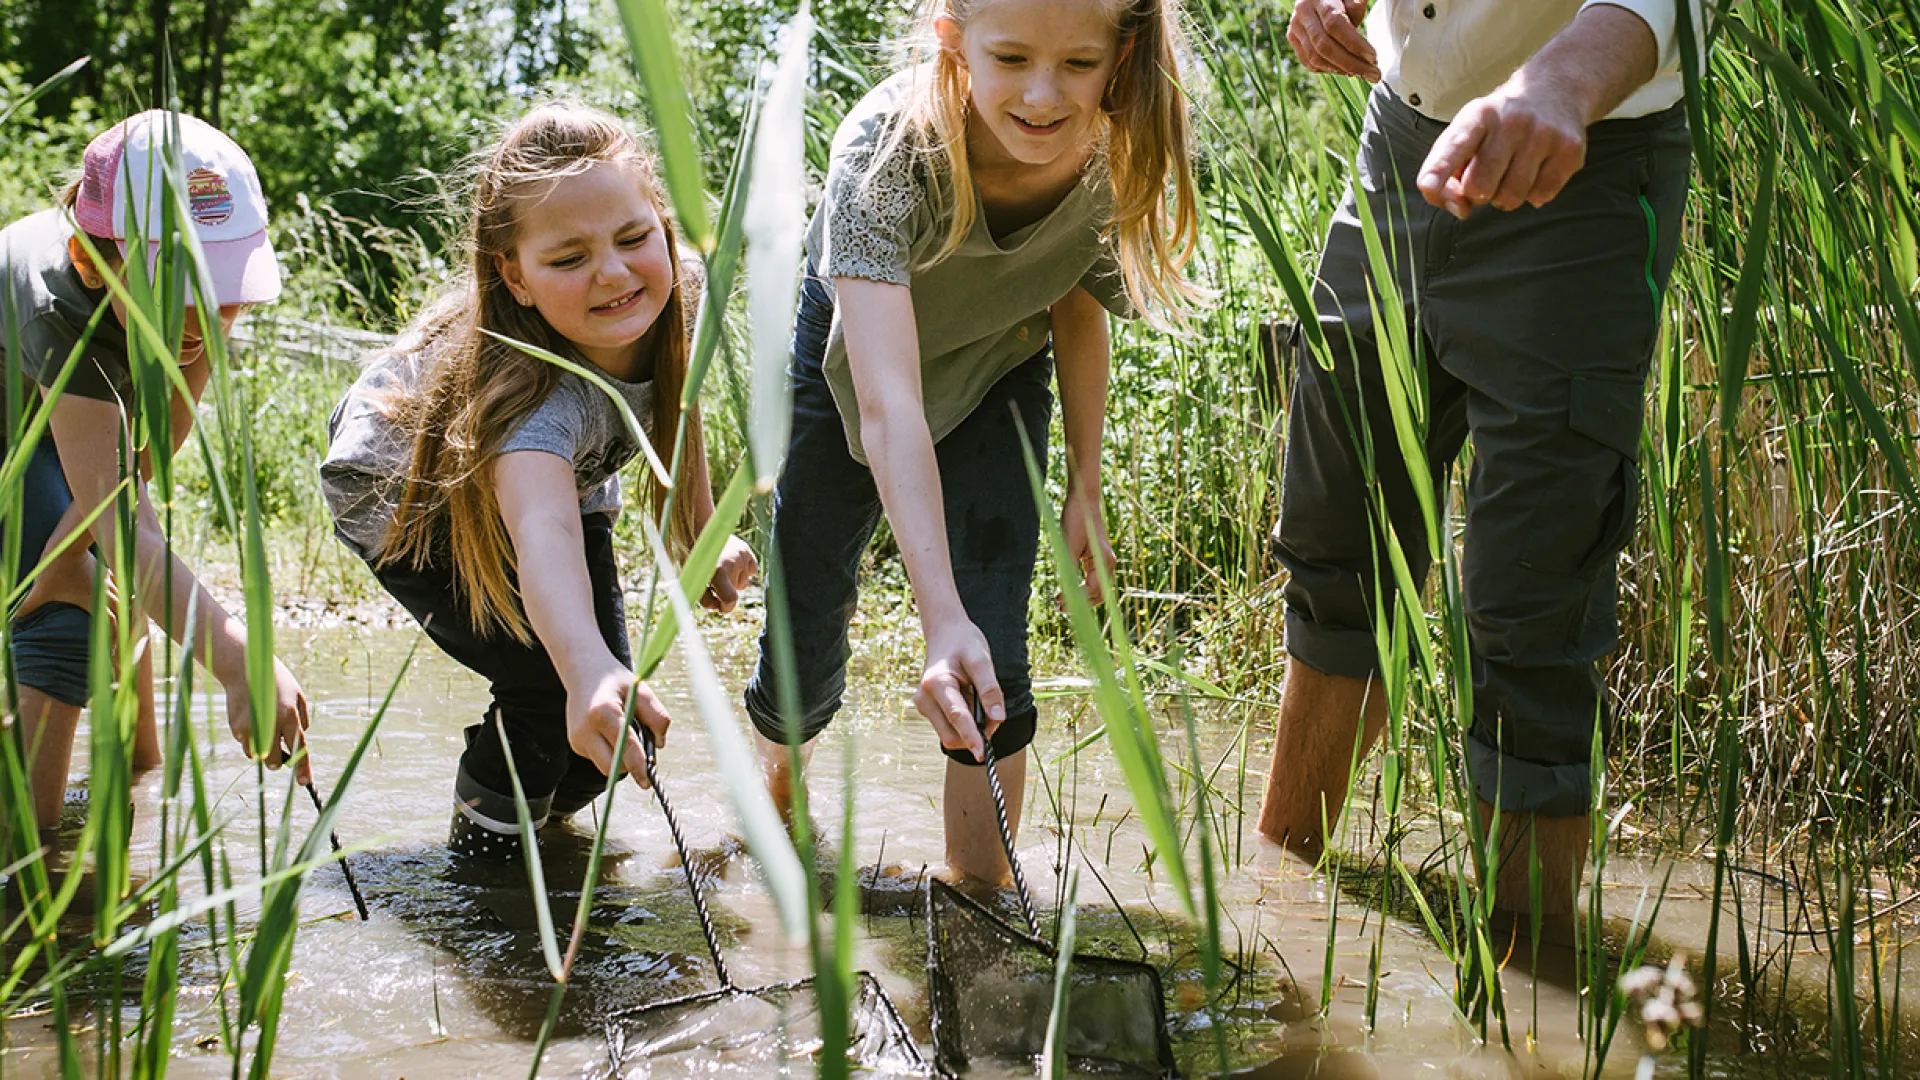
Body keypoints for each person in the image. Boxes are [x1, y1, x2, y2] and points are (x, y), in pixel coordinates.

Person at [1260, 0, 1703, 932]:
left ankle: (1528, 989)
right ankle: (1275, 913)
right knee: (1336, 545)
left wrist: (1561, 84)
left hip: (1579, 161)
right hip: (1398, 143)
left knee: (1528, 611)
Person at [743, 0, 1202, 883]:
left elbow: (1076, 301)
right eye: (1012, 58)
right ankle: (778, 804)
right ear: (952, 40)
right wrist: (935, 614)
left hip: (998, 361)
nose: (1043, 95)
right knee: (806, 618)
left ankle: (980, 898)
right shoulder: (886, 151)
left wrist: (1086, 485)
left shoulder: (1114, 151)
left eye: (1077, 65)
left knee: (991, 645)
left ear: (1120, 56)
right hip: (854, 370)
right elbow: (889, 405)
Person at [321, 102, 757, 859]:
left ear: (662, 226)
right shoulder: (534, 406)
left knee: (606, 718)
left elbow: (677, 398)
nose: (614, 273)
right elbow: (540, 527)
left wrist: (697, 527)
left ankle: (536, 823)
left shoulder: (681, 293)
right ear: (515, 278)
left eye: (633, 238)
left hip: (565, 482)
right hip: (406, 493)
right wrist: (583, 670)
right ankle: (486, 877)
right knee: (552, 692)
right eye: (569, 259)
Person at [2, 110, 310, 832]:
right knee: (64, 616)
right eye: (184, 289)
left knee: (117, 571)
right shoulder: (60, 305)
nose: (212, 316)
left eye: (227, 288)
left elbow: (143, 465)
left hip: (74, 420)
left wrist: (74, 547)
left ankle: (138, 790)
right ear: (95, 261)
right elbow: (117, 519)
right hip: (12, 420)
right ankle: (29, 862)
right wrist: (239, 660)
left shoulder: (198, 317)